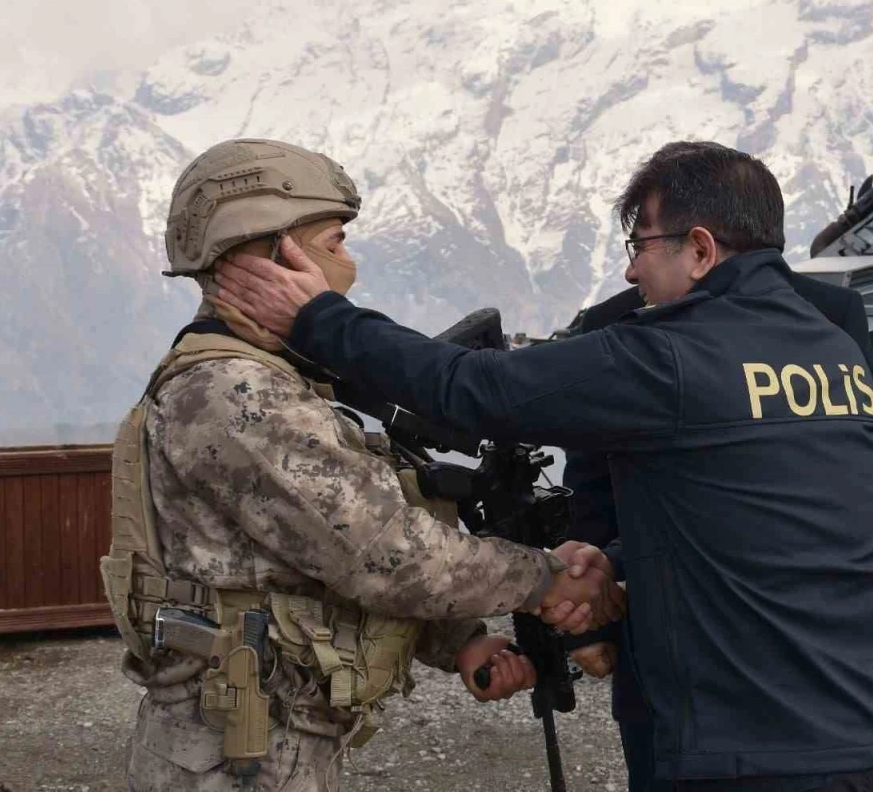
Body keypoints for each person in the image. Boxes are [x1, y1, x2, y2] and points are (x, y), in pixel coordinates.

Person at [214, 140, 873, 790]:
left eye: (640, 243)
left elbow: (471, 388)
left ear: (699, 249)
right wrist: (618, 559)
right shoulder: (837, 349)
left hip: (754, 752)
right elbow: (810, 507)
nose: (630, 268)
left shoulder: (670, 355)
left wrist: (319, 319)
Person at [101, 138, 621, 792]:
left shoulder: (272, 379)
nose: (348, 265)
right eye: (335, 242)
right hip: (235, 753)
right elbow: (387, 555)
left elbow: (310, 565)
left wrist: (460, 641)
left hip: (262, 739)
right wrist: (546, 579)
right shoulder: (234, 392)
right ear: (273, 255)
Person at [563, 257, 873, 792]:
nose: (632, 267)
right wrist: (592, 623)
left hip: (819, 629)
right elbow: (592, 486)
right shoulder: (616, 323)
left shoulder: (832, 310)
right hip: (675, 636)